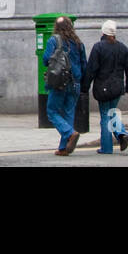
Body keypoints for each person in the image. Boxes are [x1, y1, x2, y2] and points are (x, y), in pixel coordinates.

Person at [81, 19, 128, 154]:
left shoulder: (98, 47)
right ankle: (121, 133)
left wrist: (84, 87)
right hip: (117, 88)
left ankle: (107, 148)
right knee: (112, 112)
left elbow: (91, 69)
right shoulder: (123, 47)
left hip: (103, 88)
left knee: (105, 116)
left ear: (103, 32)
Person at [42, 15, 86, 155]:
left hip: (60, 83)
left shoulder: (53, 40)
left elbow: (46, 60)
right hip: (75, 83)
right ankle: (63, 148)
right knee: (68, 113)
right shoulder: (78, 43)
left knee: (52, 111)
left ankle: (69, 133)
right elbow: (84, 65)